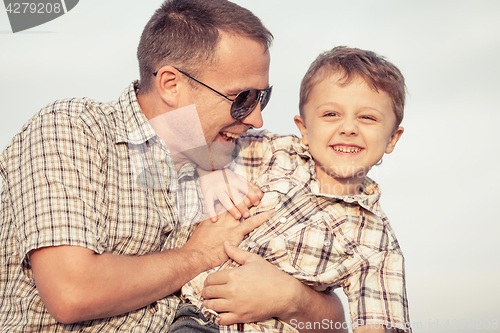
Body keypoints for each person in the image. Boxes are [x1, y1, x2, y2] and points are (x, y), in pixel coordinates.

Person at [0, 0, 347, 332]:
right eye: (242, 98)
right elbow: (72, 292)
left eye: (262, 97)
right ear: (171, 84)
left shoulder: (257, 155)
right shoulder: (73, 129)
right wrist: (197, 255)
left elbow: (336, 323)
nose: (256, 117)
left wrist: (293, 299)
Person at [173, 46, 411, 333]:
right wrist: (207, 171)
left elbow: (379, 323)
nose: (349, 128)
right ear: (305, 129)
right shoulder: (275, 153)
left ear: (392, 139)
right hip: (184, 315)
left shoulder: (376, 241)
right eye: (331, 114)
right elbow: (189, 139)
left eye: (368, 118)